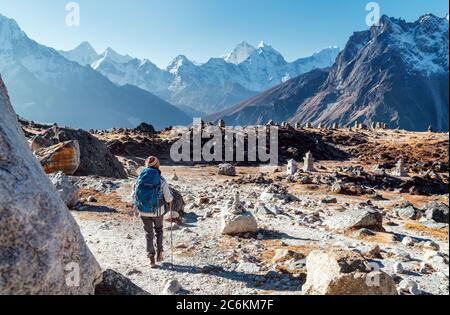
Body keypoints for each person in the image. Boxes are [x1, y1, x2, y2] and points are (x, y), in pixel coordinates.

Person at [133, 156, 173, 268]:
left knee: (148, 234)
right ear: (157, 165)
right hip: (157, 211)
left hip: (143, 210)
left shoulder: (140, 178)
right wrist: (171, 200)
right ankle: (159, 254)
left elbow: (134, 195)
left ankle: (151, 259)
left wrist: (136, 209)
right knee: (159, 231)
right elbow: (168, 197)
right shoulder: (161, 179)